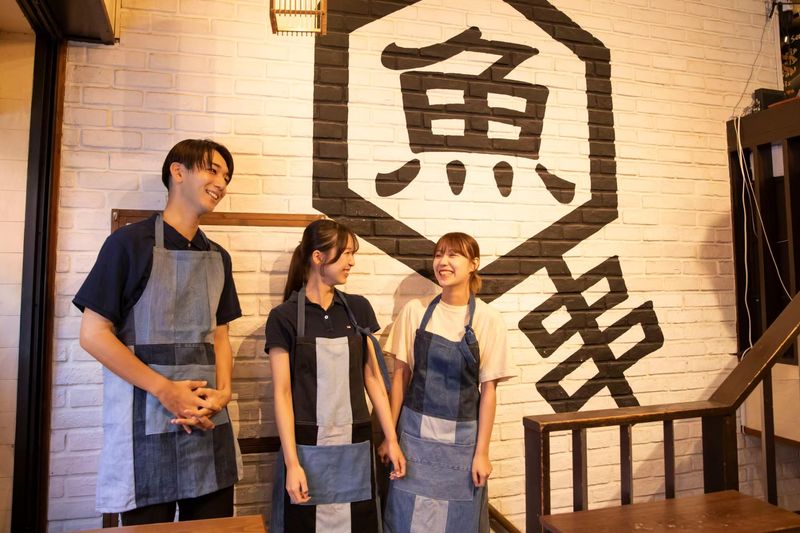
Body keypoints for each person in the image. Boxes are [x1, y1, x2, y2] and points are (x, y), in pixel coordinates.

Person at [73, 139, 241, 524]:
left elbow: (220, 335)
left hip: (207, 421)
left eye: (226, 176)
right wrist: (165, 390)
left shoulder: (219, 257)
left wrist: (224, 391)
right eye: (212, 170)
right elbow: (94, 334)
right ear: (177, 172)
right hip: (143, 427)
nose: (221, 183)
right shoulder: (128, 244)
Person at [266, 219, 406, 533]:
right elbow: (282, 394)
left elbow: (373, 380)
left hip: (356, 446)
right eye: (346, 254)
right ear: (318, 257)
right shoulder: (284, 318)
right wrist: (292, 464)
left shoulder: (358, 309)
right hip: (306, 450)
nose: (352, 262)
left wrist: (391, 439)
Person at [381, 232, 516, 533]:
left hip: (462, 444)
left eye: (453, 255)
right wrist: (389, 437)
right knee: (406, 519)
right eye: (439, 254)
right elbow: (400, 377)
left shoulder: (489, 319)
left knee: (459, 522)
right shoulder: (415, 311)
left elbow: (489, 392)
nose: (443, 262)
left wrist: (482, 453)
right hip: (414, 440)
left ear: (473, 264)